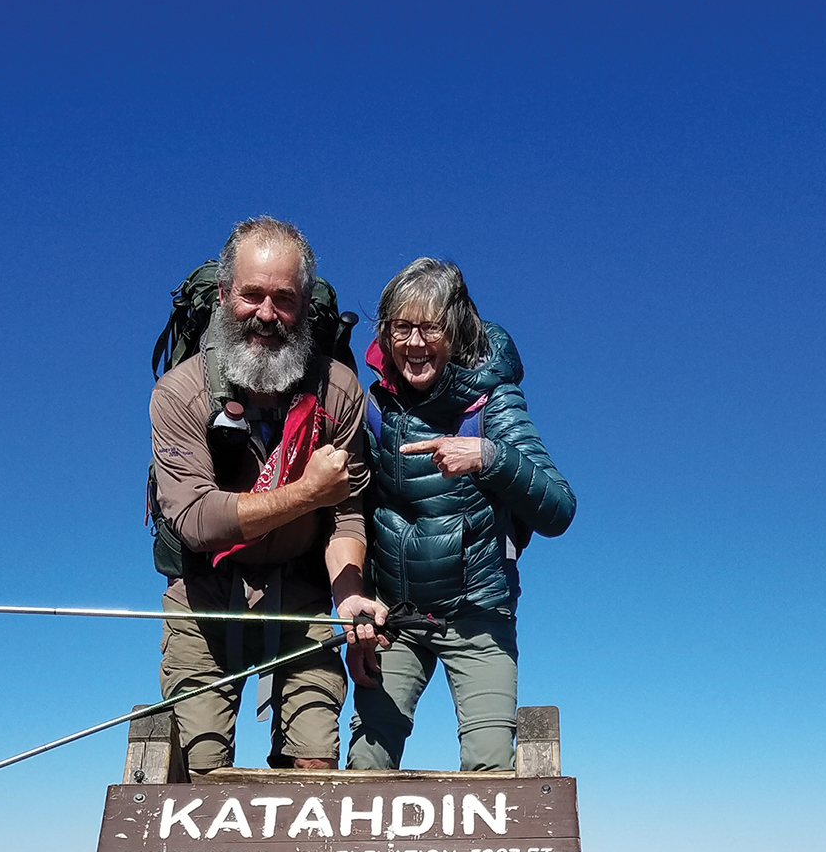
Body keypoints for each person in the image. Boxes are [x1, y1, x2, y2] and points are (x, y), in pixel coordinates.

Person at [149, 216, 383, 770]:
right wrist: (307, 494)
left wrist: (349, 596)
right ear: (225, 294)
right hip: (204, 595)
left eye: (284, 299)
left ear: (304, 305)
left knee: (315, 770)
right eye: (252, 295)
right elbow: (198, 521)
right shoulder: (179, 393)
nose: (266, 314)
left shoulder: (338, 389)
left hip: (301, 591)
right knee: (200, 776)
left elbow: (345, 515)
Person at [346, 258, 575, 772]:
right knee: (364, 771)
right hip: (397, 619)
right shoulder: (374, 407)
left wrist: (487, 458)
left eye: (431, 327)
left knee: (491, 774)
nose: (415, 343)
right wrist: (359, 610)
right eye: (401, 327)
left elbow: (560, 508)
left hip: (478, 616)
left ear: (457, 329)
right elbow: (351, 516)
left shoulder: (491, 402)